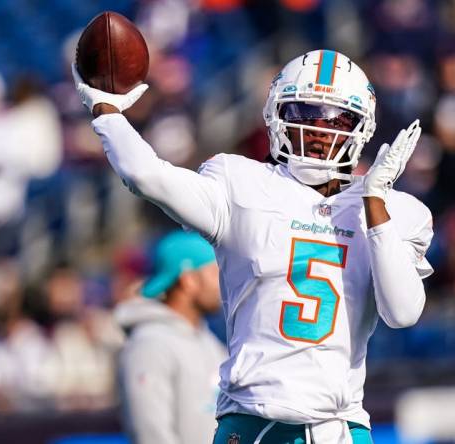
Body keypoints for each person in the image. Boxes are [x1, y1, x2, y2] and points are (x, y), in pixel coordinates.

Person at [73, 49, 434, 443]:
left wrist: (375, 201)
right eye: (304, 112)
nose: (319, 128)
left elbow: (402, 312)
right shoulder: (239, 182)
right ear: (275, 114)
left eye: (337, 117)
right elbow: (147, 176)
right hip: (252, 422)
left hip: (340, 427)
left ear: (362, 127)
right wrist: (107, 112)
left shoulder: (393, 209)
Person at [115, 230, 227, 444]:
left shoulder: (208, 341)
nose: (221, 283)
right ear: (188, 280)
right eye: (213, 273)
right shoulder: (149, 344)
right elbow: (151, 434)